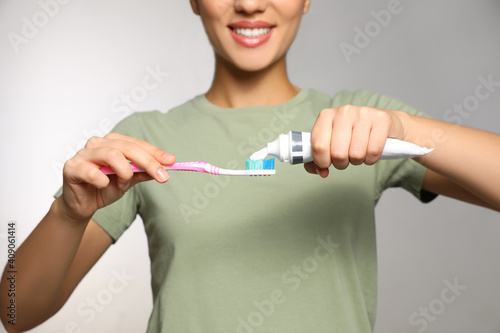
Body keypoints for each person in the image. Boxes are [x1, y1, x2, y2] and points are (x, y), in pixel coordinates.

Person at [2, 0, 499, 332]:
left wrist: (405, 130)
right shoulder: (142, 143)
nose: (249, 3)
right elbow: (13, 312)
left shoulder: (364, 122)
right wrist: (68, 214)